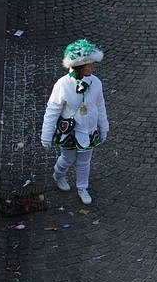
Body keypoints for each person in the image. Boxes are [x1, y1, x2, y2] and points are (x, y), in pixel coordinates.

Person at [40, 39, 109, 205]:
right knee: (67, 158)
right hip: (69, 131)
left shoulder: (96, 83)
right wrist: (46, 135)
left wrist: (103, 126)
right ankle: (58, 174)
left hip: (88, 129)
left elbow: (100, 105)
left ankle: (82, 187)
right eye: (89, 64)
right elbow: (52, 110)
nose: (92, 67)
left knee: (85, 161)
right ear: (79, 67)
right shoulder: (62, 85)